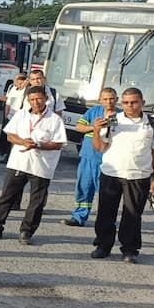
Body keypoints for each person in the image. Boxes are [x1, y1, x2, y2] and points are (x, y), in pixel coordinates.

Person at [0, 86, 67, 244]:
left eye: (39, 99)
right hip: (19, 163)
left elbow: (59, 144)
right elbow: (10, 136)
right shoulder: (21, 114)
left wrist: (38, 145)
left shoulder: (55, 120)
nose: (35, 102)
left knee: (37, 201)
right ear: (28, 100)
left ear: (45, 98)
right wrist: (22, 141)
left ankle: (26, 231)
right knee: (7, 196)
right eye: (32, 99)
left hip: (41, 166)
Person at [90, 87, 154, 263]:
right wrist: (95, 130)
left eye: (134, 102)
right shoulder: (113, 120)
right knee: (105, 212)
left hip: (139, 176)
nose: (129, 106)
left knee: (132, 214)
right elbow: (100, 147)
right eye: (125, 103)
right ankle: (102, 245)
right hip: (111, 174)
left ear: (142, 103)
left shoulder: (152, 124)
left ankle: (130, 250)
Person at [65, 88, 118, 227]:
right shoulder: (93, 111)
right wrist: (93, 127)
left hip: (108, 160)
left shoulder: (121, 115)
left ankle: (104, 221)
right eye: (105, 99)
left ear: (117, 99)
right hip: (88, 156)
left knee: (106, 192)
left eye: (111, 98)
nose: (108, 102)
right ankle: (78, 217)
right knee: (84, 187)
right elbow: (78, 127)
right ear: (100, 100)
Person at [0, 73, 28, 163]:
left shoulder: (27, 90)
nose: (17, 81)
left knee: (15, 139)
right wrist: (6, 116)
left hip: (20, 118)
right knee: (8, 138)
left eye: (20, 79)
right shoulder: (13, 88)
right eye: (16, 79)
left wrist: (25, 84)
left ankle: (10, 158)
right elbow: (8, 102)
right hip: (10, 117)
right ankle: (6, 154)